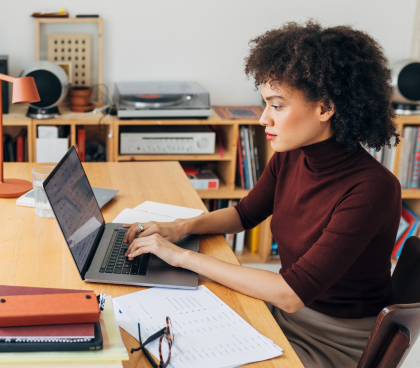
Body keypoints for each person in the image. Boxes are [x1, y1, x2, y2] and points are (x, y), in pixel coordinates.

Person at [123, 21, 402, 368]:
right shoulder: (291, 155)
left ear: (325, 108)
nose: (263, 119)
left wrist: (181, 257)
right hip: (284, 315)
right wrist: (179, 229)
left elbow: (290, 294)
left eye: (277, 105)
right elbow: (242, 215)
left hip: (334, 339)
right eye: (264, 104)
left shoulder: (372, 189)